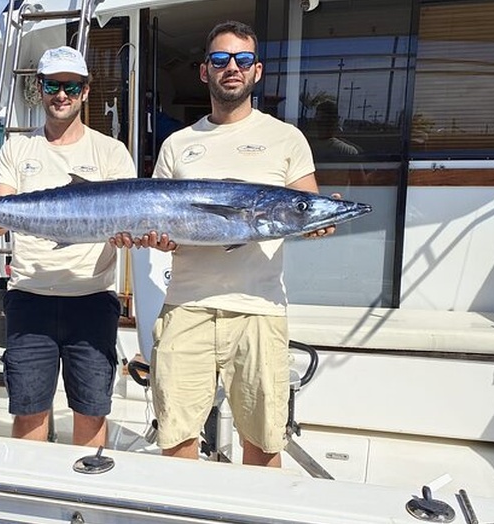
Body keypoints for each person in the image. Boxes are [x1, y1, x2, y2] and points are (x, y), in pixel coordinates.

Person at [113, 21, 336, 467]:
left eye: (242, 59)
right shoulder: (179, 144)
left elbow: (306, 208)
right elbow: (162, 230)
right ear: (204, 72)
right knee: (175, 440)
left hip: (259, 308)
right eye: (220, 59)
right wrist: (153, 240)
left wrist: (320, 220)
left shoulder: (286, 139)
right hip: (186, 307)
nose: (231, 67)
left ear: (257, 71)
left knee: (263, 444)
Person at [0, 46, 135, 447]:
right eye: (52, 85)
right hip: (29, 299)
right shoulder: (17, 149)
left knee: (92, 413)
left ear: (85, 91)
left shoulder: (111, 152)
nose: (61, 94)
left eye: (70, 86)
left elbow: (126, 227)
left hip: (92, 299)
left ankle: (84, 500)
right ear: (39, 89)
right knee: (27, 414)